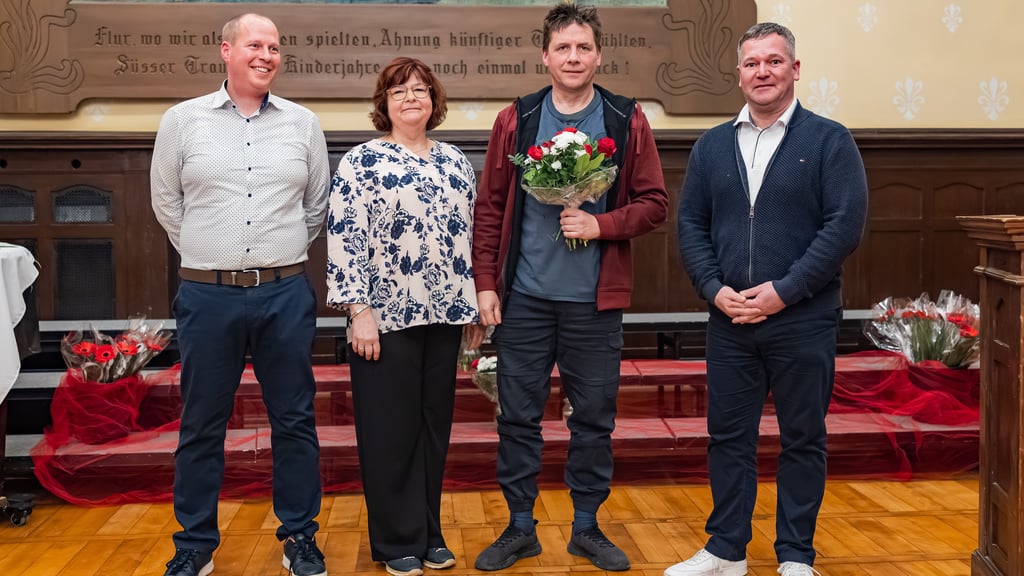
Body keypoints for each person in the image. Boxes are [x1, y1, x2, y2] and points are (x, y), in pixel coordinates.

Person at [471, 2, 668, 572]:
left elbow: (655, 203)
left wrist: (600, 224)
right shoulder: (519, 118)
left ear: (598, 55)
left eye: (584, 48)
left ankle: (586, 527)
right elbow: (490, 207)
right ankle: (519, 528)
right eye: (564, 48)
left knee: (593, 420)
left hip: (593, 303)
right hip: (525, 299)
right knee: (516, 417)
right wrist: (487, 283)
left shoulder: (625, 118)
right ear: (546, 56)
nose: (574, 57)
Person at [667, 22, 868, 576]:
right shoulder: (712, 145)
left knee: (803, 437)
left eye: (774, 61)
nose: (763, 72)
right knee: (727, 437)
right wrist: (715, 290)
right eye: (752, 63)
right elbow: (691, 225)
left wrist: (783, 292)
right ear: (739, 74)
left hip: (803, 318)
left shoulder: (830, 141)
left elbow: (843, 227)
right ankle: (726, 549)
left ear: (795, 69)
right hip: (728, 320)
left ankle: (796, 557)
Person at [150, 13, 329, 576]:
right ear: (226, 50)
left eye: (275, 47)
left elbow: (316, 207)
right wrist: (216, 258)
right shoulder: (183, 121)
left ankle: (299, 537)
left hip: (284, 294)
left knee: (295, 420)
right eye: (256, 44)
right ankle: (195, 545)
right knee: (202, 423)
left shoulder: (303, 124)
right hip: (208, 296)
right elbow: (167, 205)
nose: (267, 55)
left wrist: (270, 256)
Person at [325, 57, 484, 576]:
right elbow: (345, 239)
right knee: (389, 432)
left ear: (434, 100)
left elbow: (471, 238)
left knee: (433, 428)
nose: (411, 97)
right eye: (399, 92)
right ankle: (397, 542)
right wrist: (359, 311)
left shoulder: (456, 161)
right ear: (384, 104)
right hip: (383, 318)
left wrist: (475, 303)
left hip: (444, 314)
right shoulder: (361, 161)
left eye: (420, 89)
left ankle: (429, 532)